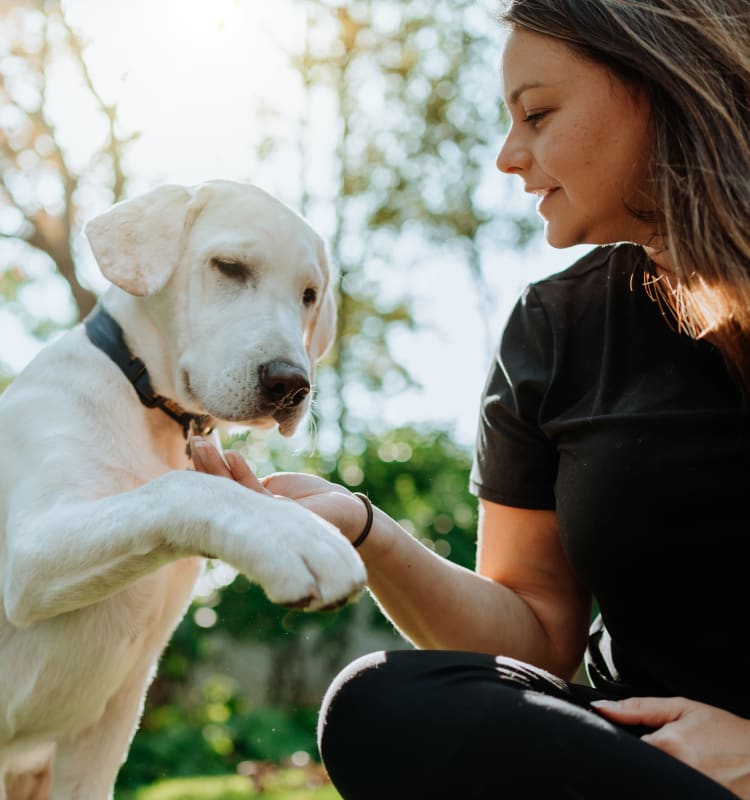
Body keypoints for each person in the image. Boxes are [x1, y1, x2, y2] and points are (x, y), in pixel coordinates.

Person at [190, 0, 750, 796]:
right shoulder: (555, 328)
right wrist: (365, 530)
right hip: (636, 759)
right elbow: (537, 635)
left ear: (663, 85)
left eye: (538, 113)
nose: (508, 156)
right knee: (380, 703)